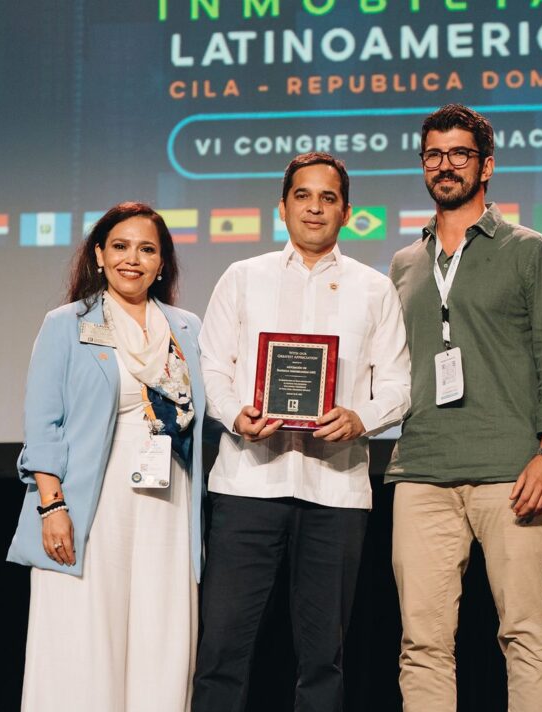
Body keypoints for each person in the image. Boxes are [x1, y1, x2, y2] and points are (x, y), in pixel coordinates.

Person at [386, 104, 542, 712]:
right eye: (433, 155)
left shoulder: (531, 251)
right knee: (422, 643)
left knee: (525, 633)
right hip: (422, 469)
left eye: (460, 154)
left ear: (487, 166)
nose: (445, 165)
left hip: (511, 470)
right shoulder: (405, 263)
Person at [192, 152, 411, 712]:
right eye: (303, 196)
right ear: (283, 206)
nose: (315, 208)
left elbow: (398, 385)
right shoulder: (243, 278)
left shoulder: (374, 288)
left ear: (347, 212)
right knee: (220, 652)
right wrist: (235, 414)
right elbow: (211, 367)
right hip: (247, 486)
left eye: (328, 197)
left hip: (335, 493)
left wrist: (361, 418)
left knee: (322, 661)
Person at [7, 202, 208, 712]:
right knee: (83, 638)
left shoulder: (186, 328)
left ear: (162, 262)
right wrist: (52, 507)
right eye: (120, 246)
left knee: (161, 639)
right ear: (99, 255)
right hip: (89, 506)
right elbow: (43, 424)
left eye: (147, 249)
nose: (132, 259)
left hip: (168, 502)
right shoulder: (66, 323)